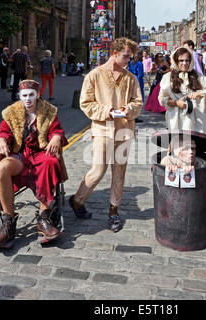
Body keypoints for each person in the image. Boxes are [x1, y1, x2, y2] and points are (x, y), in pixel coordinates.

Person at [69, 38, 143, 233]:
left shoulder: (131, 79)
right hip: (102, 129)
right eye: (126, 56)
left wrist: (128, 109)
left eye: (130, 56)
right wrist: (107, 111)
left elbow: (138, 102)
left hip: (124, 131)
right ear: (115, 52)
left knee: (119, 172)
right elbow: (86, 103)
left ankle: (113, 211)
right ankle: (77, 200)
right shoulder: (94, 75)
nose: (129, 60)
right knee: (98, 170)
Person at [0, 80, 69, 247]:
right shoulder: (11, 113)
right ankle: (8, 222)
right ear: (19, 96)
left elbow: (56, 130)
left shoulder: (49, 111)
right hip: (20, 156)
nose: (28, 99)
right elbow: (4, 132)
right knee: (1, 168)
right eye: (24, 95)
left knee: (50, 162)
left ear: (37, 95)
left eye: (31, 95)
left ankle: (44, 218)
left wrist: (57, 137)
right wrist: (0, 139)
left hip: (40, 154)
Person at [158, 46, 206, 133]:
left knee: (193, 146)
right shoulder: (167, 78)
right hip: (176, 122)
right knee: (178, 145)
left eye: (187, 60)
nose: (185, 63)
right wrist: (176, 103)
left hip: (196, 123)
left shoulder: (198, 77)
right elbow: (161, 99)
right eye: (181, 60)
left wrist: (201, 93)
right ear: (175, 61)